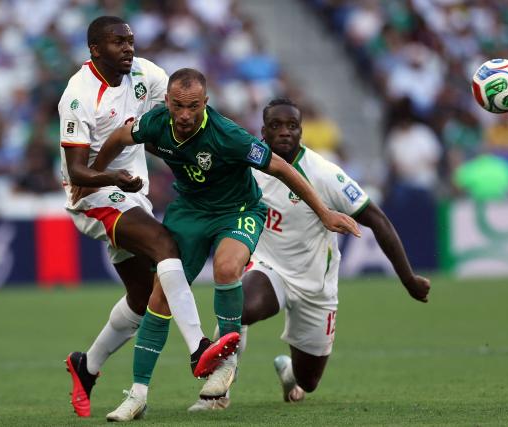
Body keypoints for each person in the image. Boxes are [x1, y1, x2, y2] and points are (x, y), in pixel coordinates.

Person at [89, 69, 361, 421]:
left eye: (193, 107)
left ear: (206, 103)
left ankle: (224, 364)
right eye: (177, 106)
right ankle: (137, 394)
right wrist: (95, 176)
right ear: (167, 102)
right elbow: (121, 136)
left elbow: (281, 168)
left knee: (227, 267)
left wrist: (324, 213)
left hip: (239, 210)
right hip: (189, 212)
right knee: (160, 294)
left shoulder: (228, 135)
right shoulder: (155, 122)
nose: (184, 115)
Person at [188, 98, 431, 411]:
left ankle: (289, 372)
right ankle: (218, 392)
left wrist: (408, 278)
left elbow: (377, 219)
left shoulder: (324, 174)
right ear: (263, 130)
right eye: (276, 126)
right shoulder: (246, 167)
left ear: (302, 131)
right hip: (268, 267)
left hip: (315, 284)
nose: (285, 132)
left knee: (308, 380)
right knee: (240, 305)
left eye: (292, 126)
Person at [59, 17, 238, 418]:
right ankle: (198, 350)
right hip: (92, 192)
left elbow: (182, 109)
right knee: (164, 246)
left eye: (130, 40)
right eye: (118, 42)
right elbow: (76, 171)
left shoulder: (145, 73)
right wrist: (113, 176)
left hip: (129, 189)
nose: (128, 48)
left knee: (141, 299)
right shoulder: (78, 96)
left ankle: (86, 366)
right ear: (95, 50)